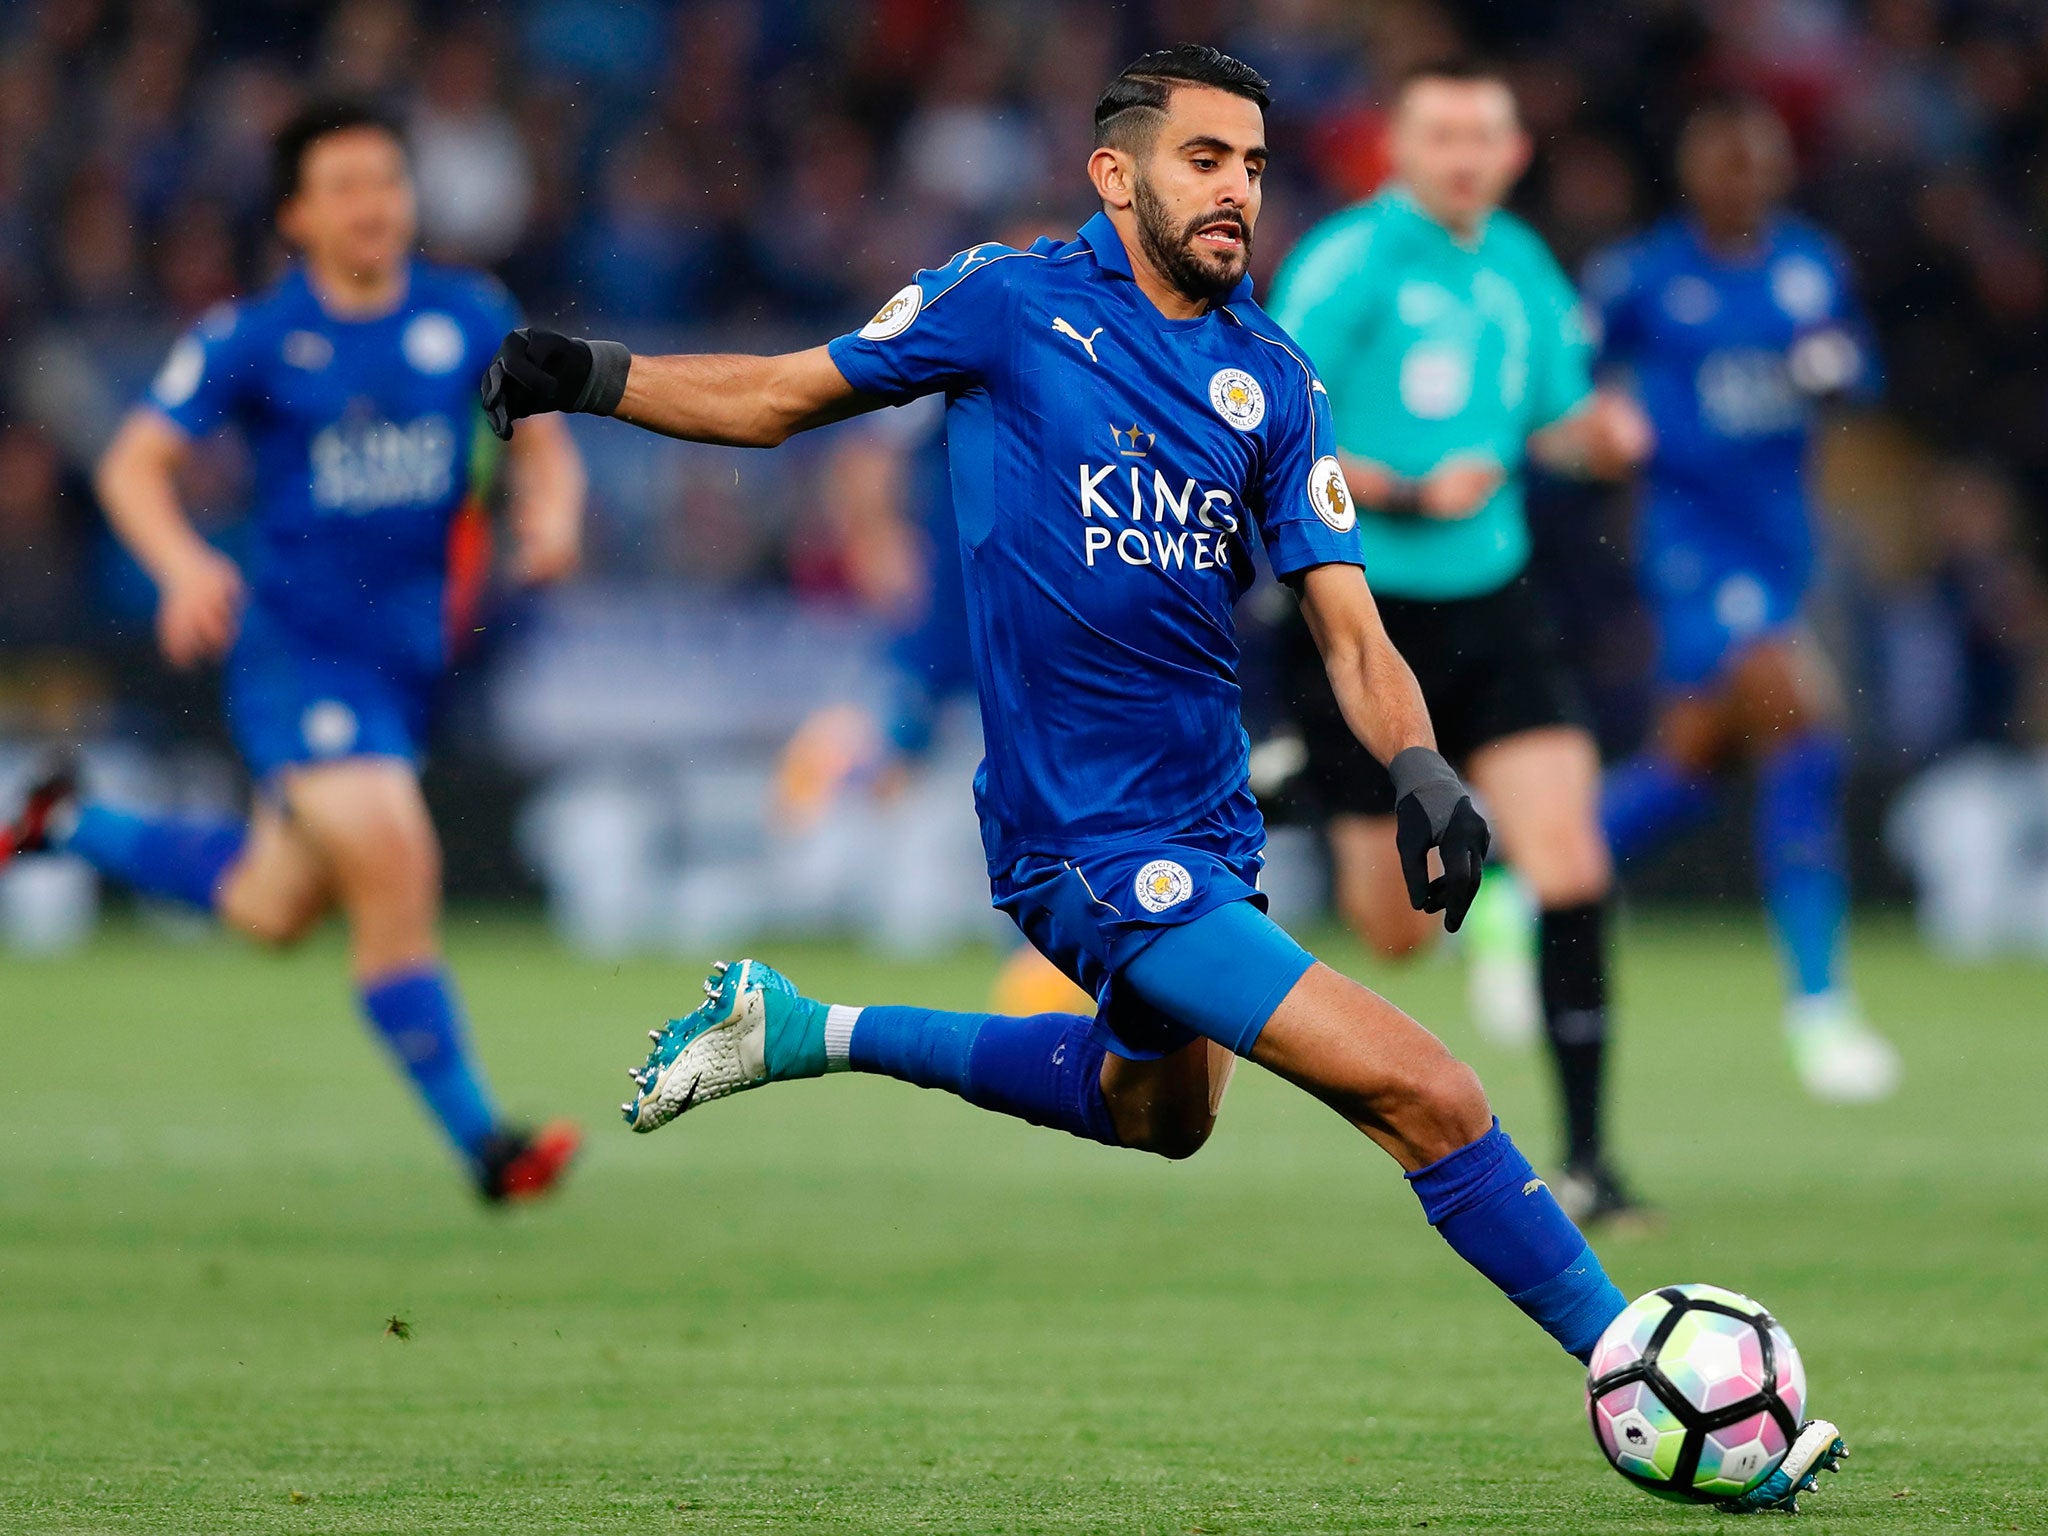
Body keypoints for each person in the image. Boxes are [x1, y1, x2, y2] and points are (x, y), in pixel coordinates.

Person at [480, 46, 1841, 1507]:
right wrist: (597, 378)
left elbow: (1348, 622)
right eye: (1206, 159)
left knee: (1162, 1118)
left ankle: (805, 1029)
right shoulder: (1005, 303)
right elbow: (777, 396)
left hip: (1209, 821)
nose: (1239, 191)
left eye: (1254, 164)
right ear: (1115, 173)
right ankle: (1652, 1377)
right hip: (1081, 834)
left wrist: (1423, 767)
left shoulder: (1271, 378)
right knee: (1427, 1095)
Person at [0, 101, 586, 1202]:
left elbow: (542, 442)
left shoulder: (468, 315)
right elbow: (133, 465)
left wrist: (550, 515)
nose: (373, 205)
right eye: (346, 187)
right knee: (396, 857)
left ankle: (66, 821)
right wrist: (181, 566)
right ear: (295, 217)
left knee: (272, 908)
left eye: (387, 181)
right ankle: (488, 1148)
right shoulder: (253, 339)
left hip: (404, 664)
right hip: (298, 658)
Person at [1264, 62, 1654, 1223]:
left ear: (1512, 153)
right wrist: (1389, 488)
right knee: (1390, 937)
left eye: (1482, 134)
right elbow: (1262, 418)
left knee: (1572, 863)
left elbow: (1554, 418)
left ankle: (1587, 1161)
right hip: (1357, 617)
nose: (1463, 154)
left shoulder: (1519, 267)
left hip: (1492, 605)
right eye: (1439, 133)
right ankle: (1286, 783)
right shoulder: (1345, 264)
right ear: (1396, 147)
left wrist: (1608, 437)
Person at [1586, 96, 1900, 1101]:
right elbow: (1570, 381)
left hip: (1779, 549)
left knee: (1687, 769)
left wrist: (1835, 370)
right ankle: (1818, 1008)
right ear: (1691, 174)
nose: (1739, 180)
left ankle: (1521, 878)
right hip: (1687, 544)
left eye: (1755, 164)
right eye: (1722, 162)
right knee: (1801, 733)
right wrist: (1609, 426)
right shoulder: (1641, 277)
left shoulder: (1810, 268)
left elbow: (1857, 375)